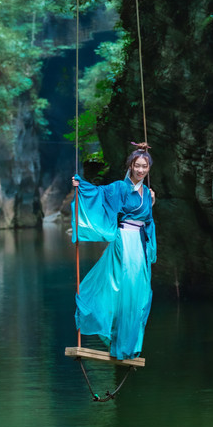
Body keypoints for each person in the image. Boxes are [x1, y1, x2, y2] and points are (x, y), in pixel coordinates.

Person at [71, 147, 156, 361]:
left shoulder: (148, 193)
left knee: (141, 294)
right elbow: (99, 194)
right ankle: (118, 343)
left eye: (144, 166)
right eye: (137, 165)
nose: (141, 170)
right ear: (130, 166)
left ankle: (131, 346)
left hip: (140, 242)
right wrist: (80, 186)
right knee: (124, 287)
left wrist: (151, 202)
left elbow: (149, 221)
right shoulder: (119, 187)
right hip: (124, 240)